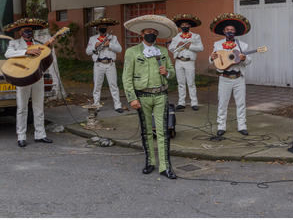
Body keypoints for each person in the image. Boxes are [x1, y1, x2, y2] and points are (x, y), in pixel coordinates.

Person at [120, 15, 177, 179]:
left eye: (154, 32)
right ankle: (150, 162)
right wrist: (131, 98)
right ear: (142, 34)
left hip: (161, 95)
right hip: (142, 96)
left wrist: (167, 73)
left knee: (163, 131)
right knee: (146, 132)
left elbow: (172, 73)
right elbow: (126, 77)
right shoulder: (132, 52)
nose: (151, 34)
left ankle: (165, 167)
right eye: (148, 32)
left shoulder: (164, 51)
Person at [3, 18, 55, 148]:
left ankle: (40, 134)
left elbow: (44, 59)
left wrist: (50, 47)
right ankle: (21, 136)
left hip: (37, 77)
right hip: (22, 77)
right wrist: (26, 51)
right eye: (25, 30)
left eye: (30, 30)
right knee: (22, 108)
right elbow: (8, 54)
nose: (28, 32)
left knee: (39, 107)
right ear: (20, 31)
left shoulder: (38, 43)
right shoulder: (14, 43)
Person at [208, 13, 252, 136]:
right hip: (224, 78)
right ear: (223, 31)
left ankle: (242, 126)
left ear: (235, 32)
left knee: (241, 103)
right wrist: (211, 57)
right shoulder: (217, 44)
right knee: (222, 103)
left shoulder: (242, 45)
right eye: (227, 30)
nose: (230, 32)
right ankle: (221, 126)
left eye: (232, 30)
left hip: (238, 78)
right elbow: (212, 59)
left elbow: (249, 61)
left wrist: (243, 58)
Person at [83, 17, 124, 126]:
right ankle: (96, 105)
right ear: (98, 28)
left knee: (113, 85)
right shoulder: (92, 39)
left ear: (107, 28)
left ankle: (118, 105)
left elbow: (119, 49)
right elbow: (87, 52)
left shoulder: (113, 37)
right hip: (98, 64)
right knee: (97, 86)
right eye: (101, 27)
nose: (103, 28)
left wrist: (109, 45)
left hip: (110, 64)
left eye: (105, 27)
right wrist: (95, 47)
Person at [168, 14, 204, 111]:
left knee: (191, 83)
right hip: (179, 61)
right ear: (180, 26)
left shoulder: (196, 37)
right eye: (182, 25)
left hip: (189, 62)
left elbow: (201, 48)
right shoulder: (176, 37)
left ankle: (194, 102)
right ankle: (181, 102)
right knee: (180, 83)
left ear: (190, 26)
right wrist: (177, 46)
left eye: (186, 25)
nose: (184, 26)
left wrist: (190, 46)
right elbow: (170, 48)